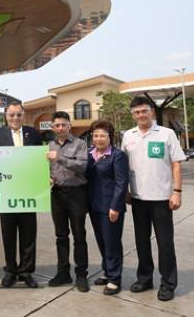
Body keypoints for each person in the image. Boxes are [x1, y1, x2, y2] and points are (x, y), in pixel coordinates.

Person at [122, 96, 186, 302]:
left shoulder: (167, 134)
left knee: (165, 243)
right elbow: (123, 166)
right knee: (141, 242)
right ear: (133, 115)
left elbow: (176, 164)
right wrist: (125, 191)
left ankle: (168, 283)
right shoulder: (128, 136)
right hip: (137, 198)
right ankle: (145, 278)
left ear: (151, 111)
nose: (141, 115)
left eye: (144, 111)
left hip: (162, 198)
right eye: (137, 112)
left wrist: (177, 191)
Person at [0, 101, 42, 288]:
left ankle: (26, 271)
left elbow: (40, 160)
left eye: (19, 114)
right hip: (6, 192)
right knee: (9, 233)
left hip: (29, 191)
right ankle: (11, 270)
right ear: (6, 116)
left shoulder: (33, 133)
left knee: (29, 233)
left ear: (23, 115)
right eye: (11, 115)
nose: (15, 118)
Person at [46, 111, 90, 292]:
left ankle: (81, 275)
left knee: (79, 235)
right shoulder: (49, 145)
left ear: (69, 125)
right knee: (61, 235)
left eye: (63, 124)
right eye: (57, 125)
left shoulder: (80, 144)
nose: (60, 128)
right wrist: (48, 178)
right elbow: (48, 168)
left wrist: (60, 158)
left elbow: (82, 166)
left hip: (76, 194)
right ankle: (63, 272)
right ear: (52, 127)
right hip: (57, 194)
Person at [86, 119, 129, 296]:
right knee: (102, 241)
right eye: (95, 135)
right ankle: (107, 271)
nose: (98, 139)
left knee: (112, 243)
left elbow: (121, 182)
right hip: (94, 205)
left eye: (102, 135)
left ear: (110, 136)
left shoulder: (117, 155)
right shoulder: (89, 154)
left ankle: (114, 278)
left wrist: (116, 206)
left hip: (110, 207)